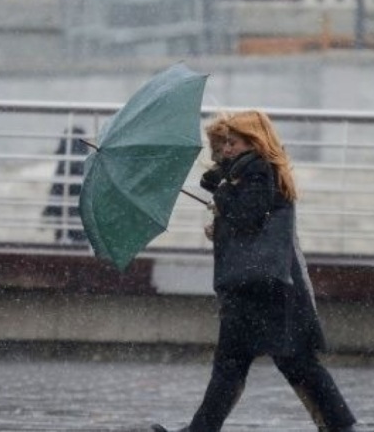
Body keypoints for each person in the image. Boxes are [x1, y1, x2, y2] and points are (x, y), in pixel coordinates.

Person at [151, 110, 356, 432]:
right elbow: (252, 223)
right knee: (245, 365)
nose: (226, 149)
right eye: (224, 143)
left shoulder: (259, 171)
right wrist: (220, 223)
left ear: (254, 142)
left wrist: (221, 199)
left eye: (233, 143)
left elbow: (247, 216)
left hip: (263, 288)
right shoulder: (250, 174)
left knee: (286, 364)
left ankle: (341, 426)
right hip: (259, 287)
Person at [42, 126, 88, 243]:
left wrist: (47, 212)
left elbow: (55, 193)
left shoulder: (63, 166)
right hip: (82, 227)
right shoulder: (86, 166)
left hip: (65, 225)